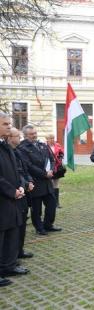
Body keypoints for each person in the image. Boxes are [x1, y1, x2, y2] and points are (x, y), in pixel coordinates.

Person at [0, 113, 28, 287]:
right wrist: (12, 191)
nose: (9, 127)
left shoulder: (5, 146)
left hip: (12, 198)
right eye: (5, 124)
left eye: (9, 124)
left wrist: (20, 186)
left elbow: (15, 170)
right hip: (4, 197)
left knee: (12, 231)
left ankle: (8, 266)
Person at [18, 125, 61, 235]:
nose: (34, 135)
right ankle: (39, 227)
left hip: (47, 182)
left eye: (35, 133)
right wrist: (44, 174)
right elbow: (28, 165)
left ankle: (48, 224)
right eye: (31, 134)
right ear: (25, 135)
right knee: (36, 209)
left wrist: (51, 170)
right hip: (35, 182)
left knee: (52, 204)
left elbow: (51, 159)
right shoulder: (22, 148)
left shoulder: (42, 145)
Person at [7, 127, 34, 259]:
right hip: (14, 193)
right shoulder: (8, 152)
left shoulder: (18, 152)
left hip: (23, 192)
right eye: (18, 136)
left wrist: (29, 181)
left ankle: (19, 251)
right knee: (15, 226)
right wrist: (23, 184)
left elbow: (24, 170)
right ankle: (12, 255)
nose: (20, 138)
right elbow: (15, 173)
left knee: (22, 223)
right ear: (10, 138)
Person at [46, 133, 65, 208]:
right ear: (47, 139)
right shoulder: (44, 147)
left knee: (56, 185)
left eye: (53, 138)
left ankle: (57, 202)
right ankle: (51, 202)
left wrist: (59, 159)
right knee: (49, 184)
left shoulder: (58, 145)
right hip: (48, 168)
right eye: (50, 138)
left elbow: (61, 154)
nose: (52, 140)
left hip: (57, 167)